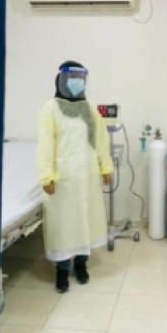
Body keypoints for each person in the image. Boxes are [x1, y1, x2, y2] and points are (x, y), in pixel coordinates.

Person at [37, 61, 114, 293]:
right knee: (63, 225)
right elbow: (45, 145)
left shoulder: (90, 109)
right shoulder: (50, 109)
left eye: (81, 78)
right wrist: (46, 177)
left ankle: (81, 264)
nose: (76, 82)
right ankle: (62, 270)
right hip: (63, 179)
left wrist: (106, 167)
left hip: (87, 176)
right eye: (72, 78)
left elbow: (100, 140)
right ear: (61, 80)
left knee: (85, 221)